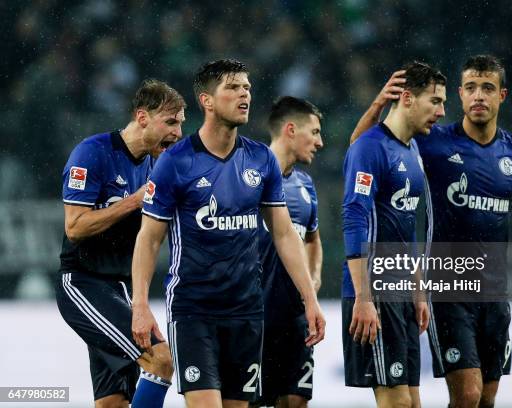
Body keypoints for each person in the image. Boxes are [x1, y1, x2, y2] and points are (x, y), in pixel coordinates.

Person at [350, 55, 512, 408]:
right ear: (460, 94)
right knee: (467, 393)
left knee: (486, 397)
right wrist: (380, 104)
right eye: (470, 88)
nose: (478, 96)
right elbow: (363, 146)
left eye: (487, 88)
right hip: (447, 288)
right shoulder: (434, 141)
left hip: (494, 292)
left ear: (502, 95)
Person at [130, 59, 326, 408]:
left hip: (247, 312)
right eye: (233, 88)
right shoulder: (175, 161)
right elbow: (149, 238)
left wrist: (310, 298)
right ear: (206, 100)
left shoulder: (261, 159)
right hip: (194, 310)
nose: (244, 95)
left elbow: (284, 234)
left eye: (247, 88)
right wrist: (141, 304)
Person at [55, 79, 186, 408]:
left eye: (181, 123)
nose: (178, 133)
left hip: (121, 288)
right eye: (170, 122)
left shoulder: (159, 164)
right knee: (161, 360)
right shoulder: (93, 152)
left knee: (113, 401)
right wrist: (134, 201)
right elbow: (74, 227)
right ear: (143, 118)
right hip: (83, 283)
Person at [342, 61, 447, 408]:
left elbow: (407, 229)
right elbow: (354, 218)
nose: (441, 111)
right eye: (434, 101)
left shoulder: (412, 151)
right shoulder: (370, 148)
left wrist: (418, 291)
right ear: (407, 98)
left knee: (412, 403)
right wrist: (364, 296)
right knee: (396, 402)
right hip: (375, 288)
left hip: (402, 290)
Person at [255, 96, 324, 408]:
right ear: (291, 130)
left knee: (296, 401)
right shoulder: (248, 176)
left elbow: (312, 239)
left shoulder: (305, 185)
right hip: (254, 316)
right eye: (315, 132)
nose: (320, 142)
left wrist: (314, 278)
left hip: (295, 319)